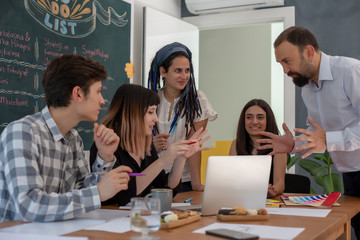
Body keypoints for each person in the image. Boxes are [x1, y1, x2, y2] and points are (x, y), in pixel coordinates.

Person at [0, 54, 132, 222]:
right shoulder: (22, 133)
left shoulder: (74, 139)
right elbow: (29, 206)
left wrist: (104, 157)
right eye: (98, 92)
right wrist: (98, 192)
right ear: (77, 93)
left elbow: (81, 193)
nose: (102, 100)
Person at [257, 26, 360, 238]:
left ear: (309, 52)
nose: (285, 70)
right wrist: (293, 145)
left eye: (287, 61)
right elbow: (316, 134)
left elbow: (325, 139)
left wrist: (328, 140)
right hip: (352, 176)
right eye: (280, 64)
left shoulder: (350, 71)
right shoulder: (307, 89)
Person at [90, 83, 209, 206]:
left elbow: (166, 189)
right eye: (151, 112)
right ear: (132, 113)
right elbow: (126, 195)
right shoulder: (105, 148)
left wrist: (181, 157)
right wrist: (163, 160)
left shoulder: (145, 146)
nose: (156, 119)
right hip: (108, 220)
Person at [148, 42, 217, 191]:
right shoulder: (150, 100)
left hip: (183, 180)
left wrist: (196, 183)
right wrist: (151, 145)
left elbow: (193, 145)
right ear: (163, 71)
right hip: (151, 177)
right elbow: (137, 143)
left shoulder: (197, 100)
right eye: (178, 70)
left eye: (187, 70)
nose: (184, 76)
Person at [229, 99, 286, 197]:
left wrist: (273, 190)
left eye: (260, 117)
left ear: (268, 120)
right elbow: (231, 179)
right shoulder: (236, 144)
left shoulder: (278, 146)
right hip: (241, 198)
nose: (254, 122)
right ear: (244, 121)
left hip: (267, 201)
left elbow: (280, 183)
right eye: (249, 117)